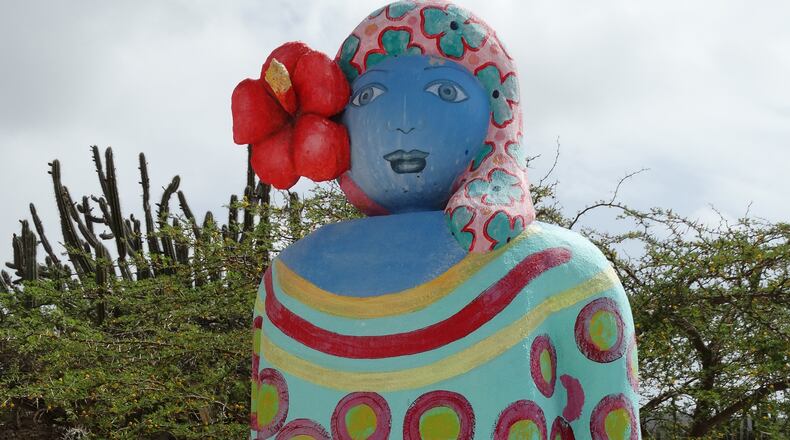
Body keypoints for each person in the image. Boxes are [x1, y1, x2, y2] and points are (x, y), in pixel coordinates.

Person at [237, 2, 641, 438]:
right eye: (369, 95)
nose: (402, 121)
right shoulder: (283, 284)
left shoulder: (560, 271)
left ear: (496, 117)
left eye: (444, 92)